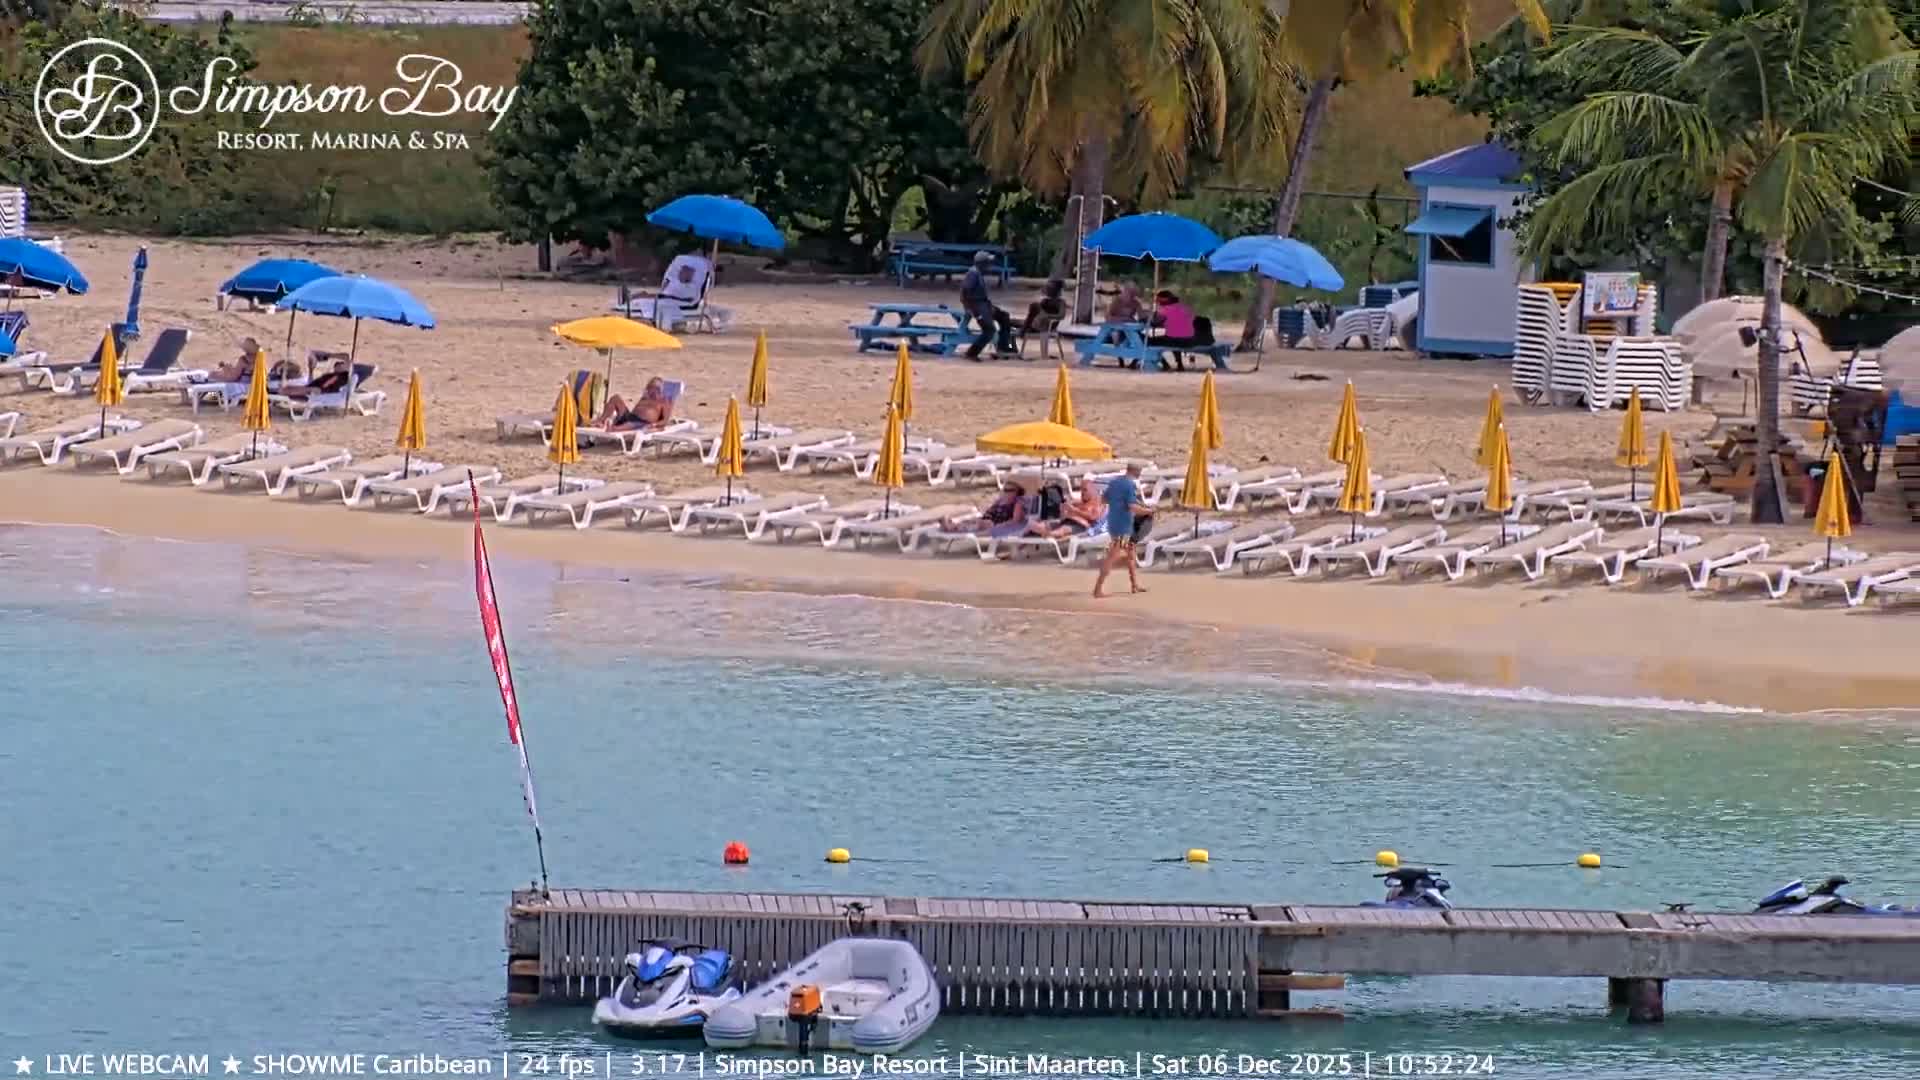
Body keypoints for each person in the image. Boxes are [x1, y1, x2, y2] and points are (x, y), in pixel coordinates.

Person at [1092, 463, 1151, 599]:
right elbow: (1132, 507)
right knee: (1113, 556)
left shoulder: (1115, 482)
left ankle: (1134, 585)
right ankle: (1097, 589)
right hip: (1123, 526)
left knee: (1131, 553)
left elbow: (1104, 499)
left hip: (1114, 522)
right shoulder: (1129, 485)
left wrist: (1120, 503)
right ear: (1136, 471)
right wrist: (1149, 511)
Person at [961, 250, 1016, 361]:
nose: (990, 265)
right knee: (989, 331)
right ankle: (971, 353)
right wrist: (971, 310)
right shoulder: (973, 274)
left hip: (984, 305)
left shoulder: (977, 273)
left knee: (1004, 317)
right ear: (982, 263)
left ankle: (1003, 347)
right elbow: (965, 292)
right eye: (988, 262)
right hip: (977, 307)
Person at [593, 377, 674, 431]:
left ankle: (613, 428)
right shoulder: (646, 397)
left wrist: (654, 425)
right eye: (649, 388)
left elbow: (665, 421)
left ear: (659, 389)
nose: (649, 390)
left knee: (627, 425)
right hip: (630, 417)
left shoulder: (665, 401)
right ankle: (600, 421)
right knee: (615, 398)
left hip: (641, 423)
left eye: (652, 388)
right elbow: (636, 409)